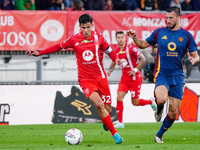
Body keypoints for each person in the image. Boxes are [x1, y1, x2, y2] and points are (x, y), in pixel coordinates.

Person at [26, 13, 123, 144]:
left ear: (92, 25)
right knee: (99, 105)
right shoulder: (74, 39)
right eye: (83, 28)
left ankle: (107, 123)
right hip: (86, 80)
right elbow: (58, 46)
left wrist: (116, 59)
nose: (86, 30)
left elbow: (110, 51)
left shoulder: (99, 38)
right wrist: (40, 52)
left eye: (88, 27)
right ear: (79, 27)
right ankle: (115, 134)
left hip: (101, 78)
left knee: (108, 109)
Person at [126, 6, 199, 143]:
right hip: (162, 74)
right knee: (161, 99)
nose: (168, 20)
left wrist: (194, 59)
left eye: (171, 18)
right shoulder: (159, 32)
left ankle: (159, 135)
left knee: (173, 112)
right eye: (166, 17)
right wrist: (134, 37)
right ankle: (159, 108)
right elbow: (142, 44)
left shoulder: (187, 36)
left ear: (178, 18)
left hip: (178, 77)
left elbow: (196, 56)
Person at [107, 31, 156, 128]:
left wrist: (135, 69)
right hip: (124, 78)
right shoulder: (116, 51)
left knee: (135, 103)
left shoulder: (131, 48)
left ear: (125, 39)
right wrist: (110, 71)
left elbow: (143, 59)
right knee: (119, 98)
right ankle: (120, 122)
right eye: (118, 37)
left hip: (135, 78)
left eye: (122, 37)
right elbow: (113, 62)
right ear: (116, 39)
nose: (120, 39)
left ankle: (150, 101)